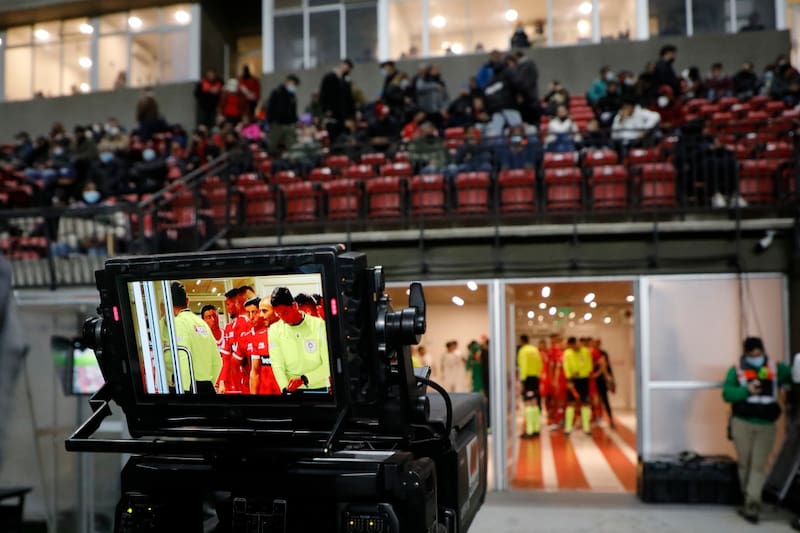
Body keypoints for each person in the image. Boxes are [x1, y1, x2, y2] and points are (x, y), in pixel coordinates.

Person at [723, 337, 792, 524]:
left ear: (763, 351)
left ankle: (753, 505)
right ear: (745, 354)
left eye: (759, 353)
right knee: (745, 463)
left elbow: (793, 377)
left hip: (766, 425)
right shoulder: (736, 369)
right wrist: (746, 391)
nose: (756, 357)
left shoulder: (776, 368)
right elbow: (727, 393)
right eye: (752, 354)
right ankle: (748, 499)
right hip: (742, 423)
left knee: (757, 465)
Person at [161, 282, 221, 395]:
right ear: (187, 301)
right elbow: (218, 361)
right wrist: (210, 383)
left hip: (189, 387)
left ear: (168, 303)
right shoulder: (202, 323)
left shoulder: (177, 322)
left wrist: (184, 391)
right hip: (207, 386)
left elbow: (183, 358)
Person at [268, 287, 331, 393]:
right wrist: (284, 388)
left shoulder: (318, 325)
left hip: (319, 387)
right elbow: (277, 364)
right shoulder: (274, 330)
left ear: (294, 306)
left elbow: (328, 365)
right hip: (291, 389)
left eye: (285, 313)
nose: (282, 318)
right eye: (278, 314)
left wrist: (304, 379)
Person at [242, 297, 282, 395]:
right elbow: (255, 373)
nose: (261, 315)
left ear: (276, 311)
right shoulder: (258, 336)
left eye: (264, 311)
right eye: (260, 311)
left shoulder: (290, 334)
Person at [218, 287, 252, 394]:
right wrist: (222, 381)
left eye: (228, 304)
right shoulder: (229, 328)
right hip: (234, 384)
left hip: (249, 382)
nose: (227, 309)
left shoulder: (249, 324)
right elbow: (226, 358)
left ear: (237, 303)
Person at [483, 55, 523, 138]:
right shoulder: (508, 74)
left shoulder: (489, 81)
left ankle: (495, 150)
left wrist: (488, 111)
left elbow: (485, 98)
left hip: (495, 111)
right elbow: (518, 84)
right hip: (509, 106)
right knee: (517, 132)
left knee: (495, 134)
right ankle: (518, 149)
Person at [562, 336, 593, 435]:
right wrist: (569, 379)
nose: (571, 347)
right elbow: (566, 367)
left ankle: (587, 428)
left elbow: (589, 366)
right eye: (569, 346)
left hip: (583, 380)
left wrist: (579, 373)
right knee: (571, 404)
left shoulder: (586, 351)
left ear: (576, 343)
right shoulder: (567, 353)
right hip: (572, 381)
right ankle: (568, 428)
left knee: (585, 403)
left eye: (572, 345)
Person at [319, 59, 355, 143]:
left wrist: (350, 116)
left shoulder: (345, 80)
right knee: (334, 137)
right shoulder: (329, 77)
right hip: (333, 114)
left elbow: (349, 99)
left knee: (344, 138)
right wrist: (326, 109)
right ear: (343, 65)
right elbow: (324, 95)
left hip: (343, 115)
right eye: (347, 68)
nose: (348, 71)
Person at [265, 74, 300, 156]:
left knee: (292, 147)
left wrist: (295, 121)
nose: (294, 87)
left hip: (289, 125)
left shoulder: (292, 96)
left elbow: (293, 111)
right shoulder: (276, 92)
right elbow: (270, 108)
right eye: (293, 84)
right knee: (272, 146)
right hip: (277, 124)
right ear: (288, 82)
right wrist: (270, 121)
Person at [517, 335, 543, 438]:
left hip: (527, 378)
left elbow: (524, 365)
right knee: (535, 403)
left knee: (528, 403)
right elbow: (540, 365)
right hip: (535, 378)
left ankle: (529, 430)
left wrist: (523, 381)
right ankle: (536, 428)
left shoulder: (523, 351)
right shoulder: (535, 350)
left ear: (521, 341)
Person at [591, 338, 615, 428]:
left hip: (601, 380)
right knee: (593, 400)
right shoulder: (590, 353)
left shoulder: (603, 354)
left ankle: (610, 419)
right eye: (595, 343)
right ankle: (595, 417)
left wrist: (609, 377)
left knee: (605, 399)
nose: (596, 344)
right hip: (592, 380)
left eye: (598, 343)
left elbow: (605, 366)